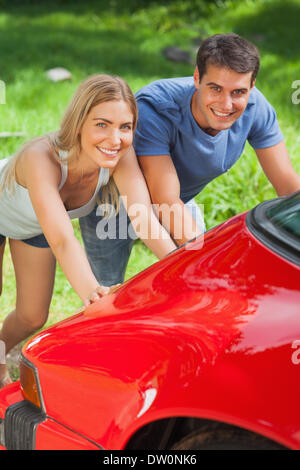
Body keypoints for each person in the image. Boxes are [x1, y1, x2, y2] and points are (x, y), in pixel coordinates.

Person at [79, 33, 300, 286]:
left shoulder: (256, 107)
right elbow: (165, 201)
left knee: (192, 283)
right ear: (197, 78)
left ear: (252, 86)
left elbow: (287, 185)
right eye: (215, 88)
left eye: (238, 91)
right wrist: (210, 264)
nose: (226, 104)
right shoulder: (156, 108)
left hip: (179, 200)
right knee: (105, 293)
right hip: (112, 206)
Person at [0, 74, 177, 388]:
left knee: (32, 317)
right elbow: (63, 240)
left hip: (32, 226)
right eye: (102, 124)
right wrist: (94, 296)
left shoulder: (118, 157)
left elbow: (143, 218)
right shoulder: (41, 157)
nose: (115, 139)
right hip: (19, 214)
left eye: (126, 127)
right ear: (79, 122)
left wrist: (181, 267)